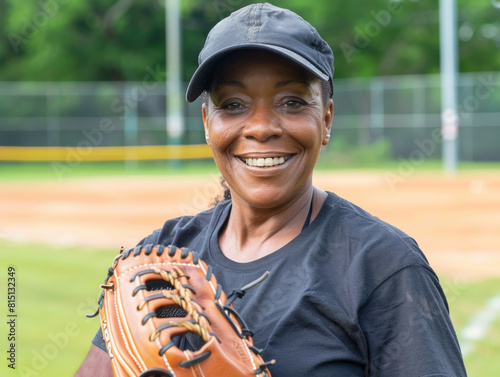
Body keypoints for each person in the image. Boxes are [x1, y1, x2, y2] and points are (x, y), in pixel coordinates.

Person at [75, 3, 467, 376]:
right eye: (233, 104)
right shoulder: (160, 258)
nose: (262, 127)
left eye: (293, 102)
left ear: (326, 118)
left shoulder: (382, 267)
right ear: (207, 122)